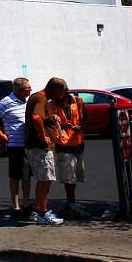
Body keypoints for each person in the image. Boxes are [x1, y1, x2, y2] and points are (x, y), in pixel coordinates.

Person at [25, 77, 67, 225]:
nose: (61, 96)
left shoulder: (38, 98)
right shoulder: (41, 99)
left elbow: (41, 117)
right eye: (61, 92)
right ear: (53, 89)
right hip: (40, 147)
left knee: (43, 180)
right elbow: (36, 118)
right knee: (46, 180)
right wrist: (44, 137)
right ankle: (44, 213)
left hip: (36, 146)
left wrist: (51, 118)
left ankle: (38, 209)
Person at [0, 77, 32, 219]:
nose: (30, 90)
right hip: (15, 144)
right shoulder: (7, 101)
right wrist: (1, 135)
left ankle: (26, 203)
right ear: (19, 90)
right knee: (15, 176)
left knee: (26, 175)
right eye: (27, 89)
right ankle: (16, 206)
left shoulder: (27, 101)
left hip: (27, 144)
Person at [49, 79, 91, 219]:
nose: (55, 95)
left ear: (65, 91)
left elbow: (85, 118)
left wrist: (80, 126)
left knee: (76, 175)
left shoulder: (77, 101)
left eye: (57, 92)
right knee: (69, 177)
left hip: (78, 142)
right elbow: (49, 123)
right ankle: (72, 203)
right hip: (63, 144)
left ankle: (70, 202)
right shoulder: (51, 105)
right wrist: (63, 126)